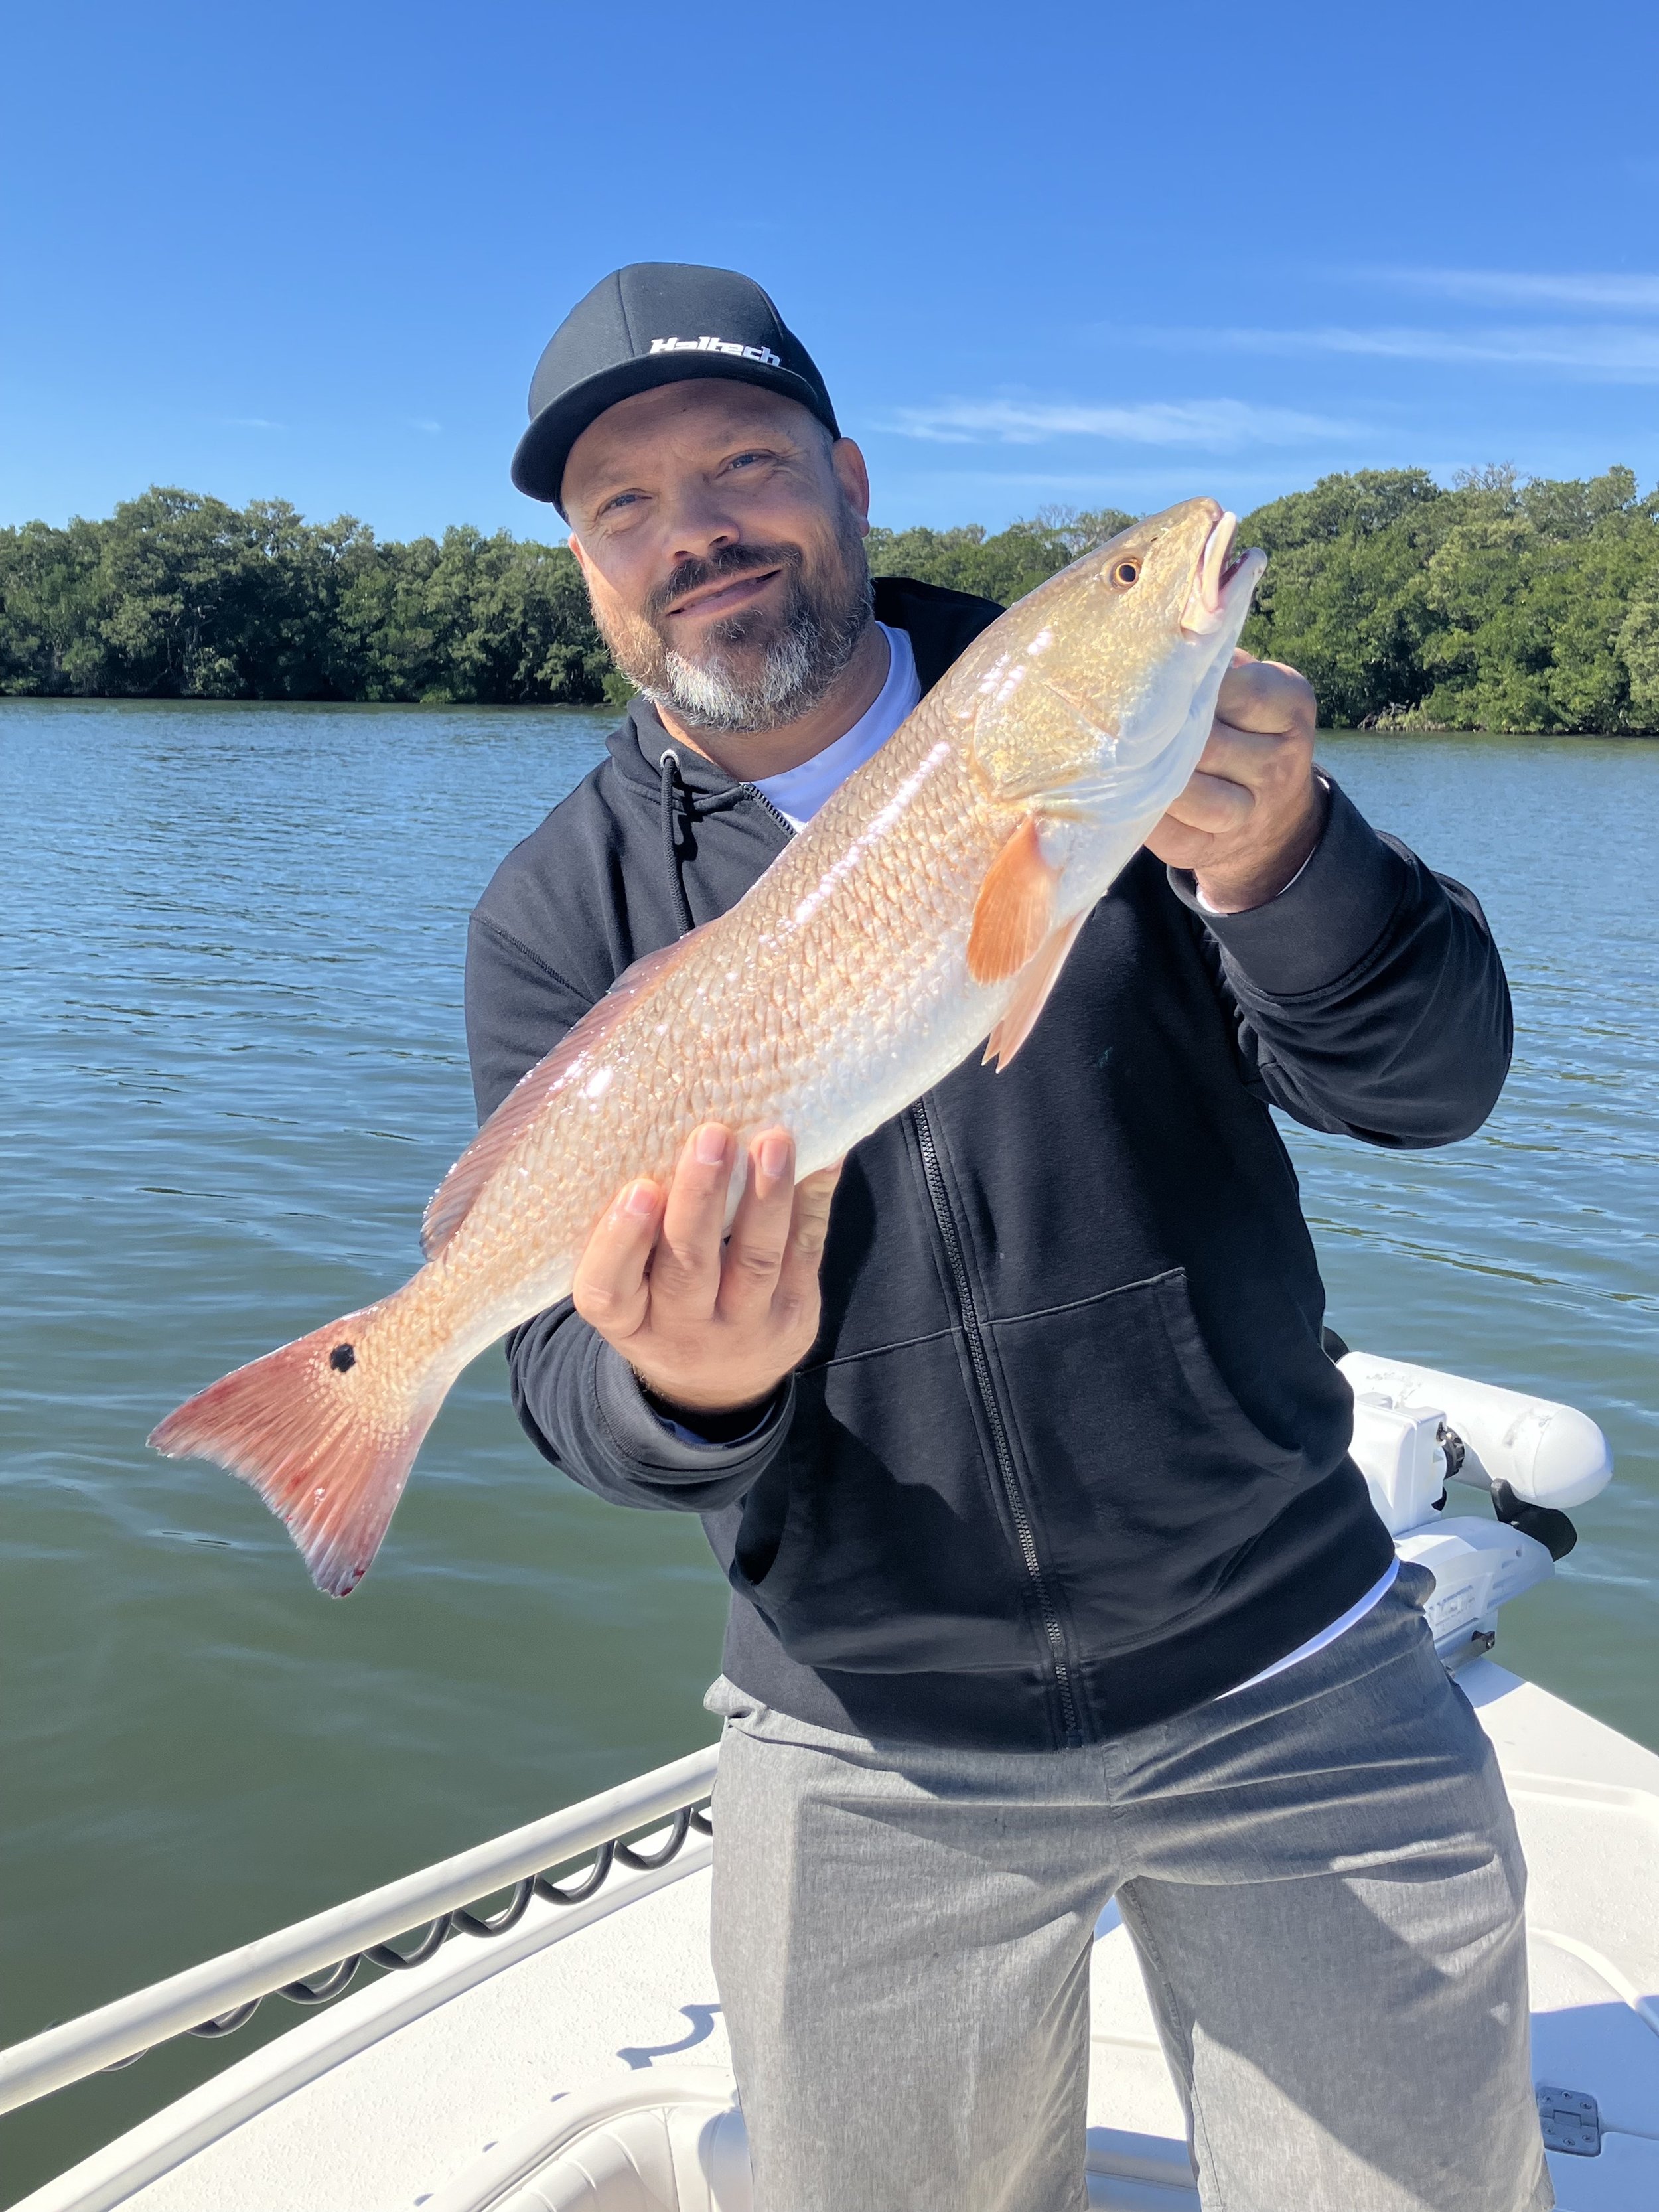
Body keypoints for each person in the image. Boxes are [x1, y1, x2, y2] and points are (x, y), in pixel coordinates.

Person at [468, 264, 1546, 2212]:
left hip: (1293, 1669)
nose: (690, 529)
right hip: (863, 1742)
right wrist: (686, 1389)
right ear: (581, 569)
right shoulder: (559, 911)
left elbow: (1433, 1081)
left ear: (849, 479)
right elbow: (569, 1390)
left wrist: (1291, 867)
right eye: (622, 506)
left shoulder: (1122, 727)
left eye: (742, 465)